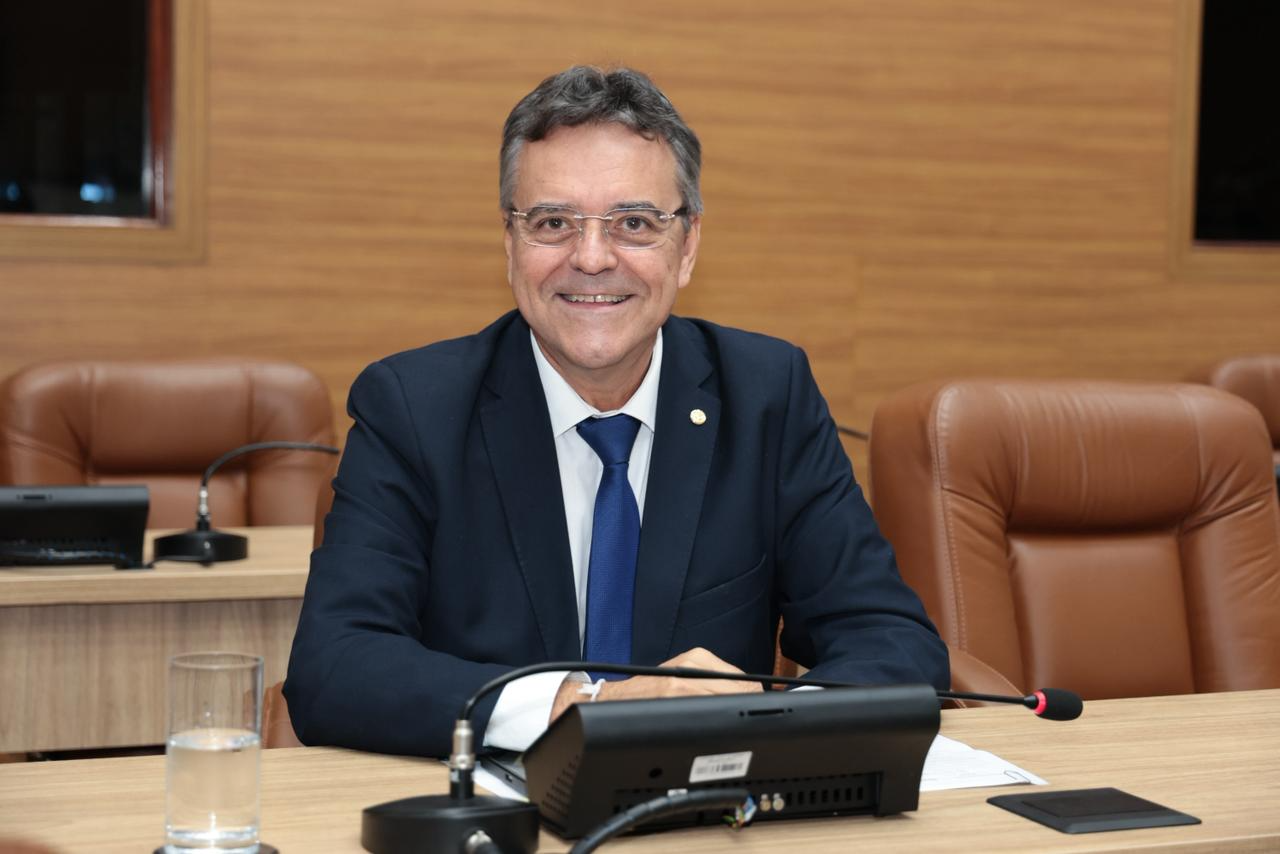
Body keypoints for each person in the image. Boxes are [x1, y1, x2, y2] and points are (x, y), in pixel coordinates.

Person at [285, 66, 948, 758]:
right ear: (510, 244)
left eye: (634, 223)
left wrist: (765, 727)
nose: (593, 258)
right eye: (553, 223)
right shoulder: (414, 408)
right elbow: (335, 666)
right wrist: (581, 708)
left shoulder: (766, 397)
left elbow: (892, 640)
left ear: (687, 246)